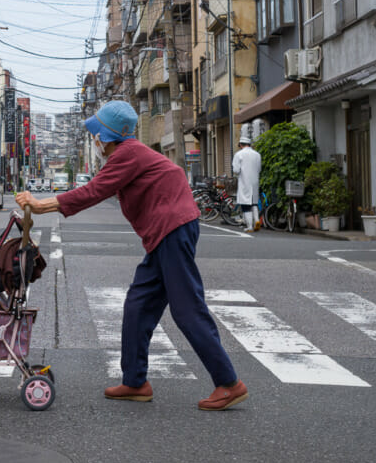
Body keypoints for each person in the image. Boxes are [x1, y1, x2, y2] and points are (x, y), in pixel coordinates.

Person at [15, 100, 248, 411]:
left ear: (107, 136)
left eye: (96, 135)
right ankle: (136, 382)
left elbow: (93, 191)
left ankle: (229, 382)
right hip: (166, 232)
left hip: (171, 229)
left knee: (186, 308)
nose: (94, 141)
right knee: (138, 305)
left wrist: (42, 205)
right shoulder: (129, 154)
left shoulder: (127, 154)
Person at [232, 134, 262, 233]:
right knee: (254, 202)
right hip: (255, 181)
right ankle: (257, 220)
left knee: (245, 204)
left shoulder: (239, 154)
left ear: (240, 144)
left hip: (244, 181)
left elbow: (236, 170)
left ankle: (249, 226)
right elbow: (259, 169)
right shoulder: (257, 154)